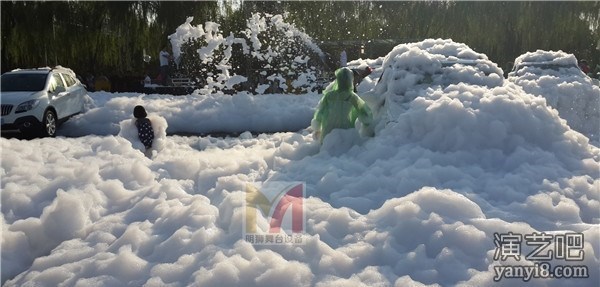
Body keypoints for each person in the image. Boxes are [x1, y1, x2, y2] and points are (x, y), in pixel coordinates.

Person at [312, 67, 373, 143]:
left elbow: (320, 113)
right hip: (346, 134)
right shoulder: (352, 97)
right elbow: (365, 114)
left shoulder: (329, 96)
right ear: (350, 80)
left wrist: (317, 128)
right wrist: (369, 129)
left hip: (328, 135)